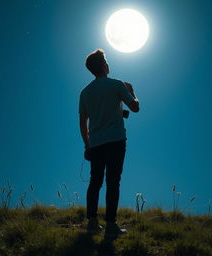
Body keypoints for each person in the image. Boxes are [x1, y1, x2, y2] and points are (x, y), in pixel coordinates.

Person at [78, 49, 139, 238]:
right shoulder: (117, 85)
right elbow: (135, 108)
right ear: (104, 65)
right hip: (115, 141)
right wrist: (131, 91)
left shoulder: (85, 92)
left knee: (95, 181)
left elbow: (83, 122)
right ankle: (111, 225)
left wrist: (87, 145)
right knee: (113, 181)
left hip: (95, 143)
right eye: (106, 60)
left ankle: (92, 223)